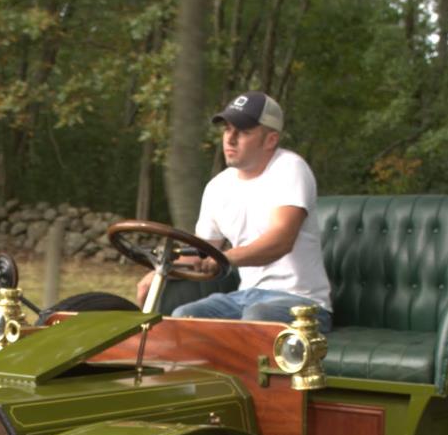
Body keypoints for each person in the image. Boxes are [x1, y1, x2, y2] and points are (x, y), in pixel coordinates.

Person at [139, 91, 333, 331]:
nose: (230, 139)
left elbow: (281, 241)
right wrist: (162, 271)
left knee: (258, 315)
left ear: (270, 140)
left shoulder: (290, 168)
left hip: (301, 303)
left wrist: (227, 257)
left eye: (243, 132)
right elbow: (201, 251)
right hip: (244, 297)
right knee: (185, 315)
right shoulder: (218, 186)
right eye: (227, 129)